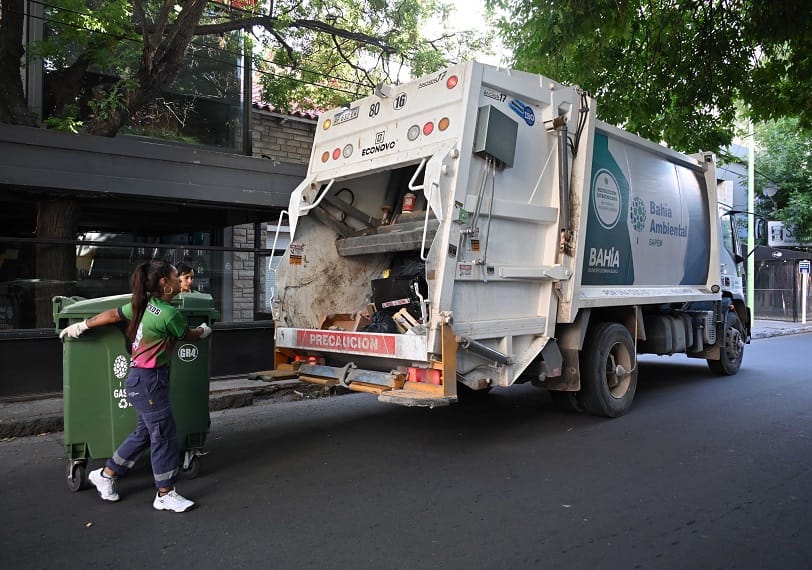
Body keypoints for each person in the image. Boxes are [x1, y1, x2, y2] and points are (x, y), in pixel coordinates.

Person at [59, 260, 212, 512]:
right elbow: (186, 335)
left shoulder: (144, 306)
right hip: (150, 382)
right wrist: (203, 330)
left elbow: (112, 315)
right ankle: (165, 493)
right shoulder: (168, 313)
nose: (179, 280)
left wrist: (83, 325)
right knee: (163, 434)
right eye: (176, 277)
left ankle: (106, 475)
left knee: (144, 434)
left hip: (140, 380)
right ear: (165, 284)